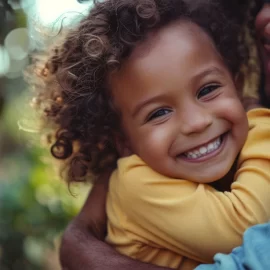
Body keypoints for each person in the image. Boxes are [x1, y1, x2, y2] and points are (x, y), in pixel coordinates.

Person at [26, 0, 269, 269]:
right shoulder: (135, 185)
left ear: (235, 83)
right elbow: (248, 226)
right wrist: (259, 119)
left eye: (207, 90)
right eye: (158, 113)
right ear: (123, 142)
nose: (196, 123)